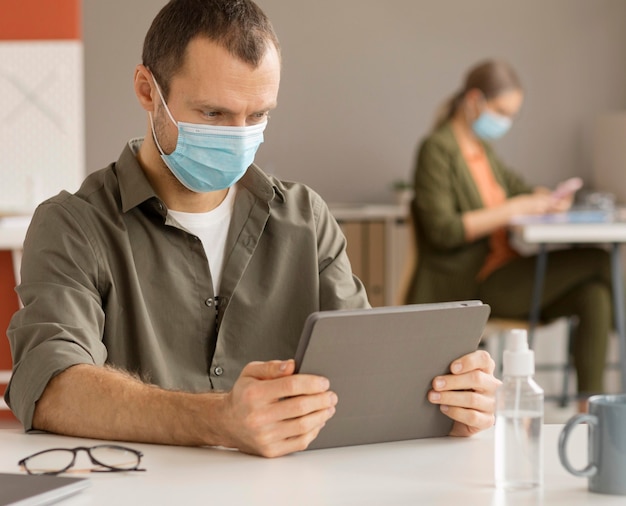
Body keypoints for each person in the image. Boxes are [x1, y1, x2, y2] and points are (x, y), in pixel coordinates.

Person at [6, 0, 498, 458]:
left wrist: (442, 405)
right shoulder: (73, 225)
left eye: (257, 116)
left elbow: (361, 377)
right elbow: (52, 387)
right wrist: (217, 418)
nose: (238, 137)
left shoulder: (305, 217)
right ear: (146, 90)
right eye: (213, 113)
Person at [404, 59, 612, 410]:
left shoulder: (483, 153)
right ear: (474, 100)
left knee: (594, 295)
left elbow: (519, 190)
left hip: (506, 269)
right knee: (599, 258)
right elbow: (443, 231)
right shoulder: (437, 150)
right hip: (475, 281)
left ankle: (590, 410)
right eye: (501, 111)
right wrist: (515, 208)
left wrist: (547, 199)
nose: (505, 122)